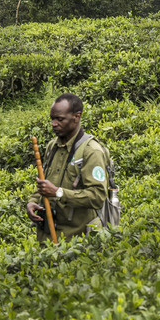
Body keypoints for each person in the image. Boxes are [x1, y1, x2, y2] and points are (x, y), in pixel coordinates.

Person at [25, 93, 110, 240]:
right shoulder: (52, 146)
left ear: (76, 117)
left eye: (60, 119)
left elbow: (97, 197)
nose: (54, 124)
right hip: (48, 237)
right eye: (52, 119)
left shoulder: (92, 151)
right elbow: (45, 183)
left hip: (78, 240)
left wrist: (58, 192)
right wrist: (32, 201)